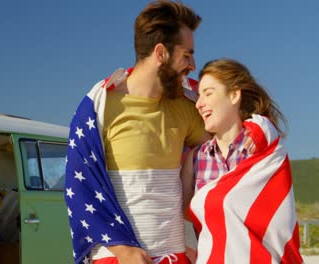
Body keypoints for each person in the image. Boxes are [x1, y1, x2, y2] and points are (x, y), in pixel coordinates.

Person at [64, 1, 209, 264]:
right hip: (116, 257)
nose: (193, 65)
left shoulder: (189, 107)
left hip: (174, 256)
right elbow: (80, 186)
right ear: (161, 53)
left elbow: (230, 154)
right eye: (187, 55)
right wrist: (124, 250)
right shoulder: (101, 106)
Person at [181, 59, 303, 263]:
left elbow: (266, 128)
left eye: (208, 93)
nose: (199, 104)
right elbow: (181, 216)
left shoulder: (264, 148)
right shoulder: (196, 159)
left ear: (234, 95)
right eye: (199, 96)